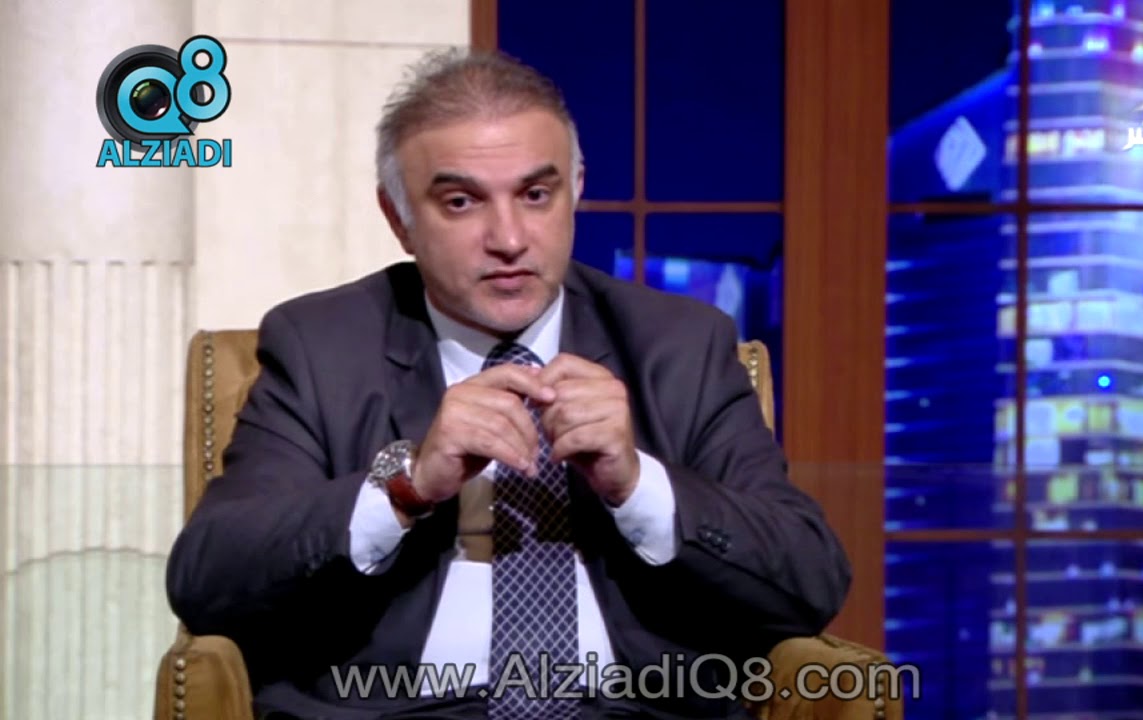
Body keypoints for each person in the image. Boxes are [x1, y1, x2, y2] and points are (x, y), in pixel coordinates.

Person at [165, 48, 851, 720]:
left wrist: (639, 485)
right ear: (399, 219)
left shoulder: (679, 346)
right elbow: (209, 578)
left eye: (536, 195)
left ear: (575, 189)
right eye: (462, 202)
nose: (509, 238)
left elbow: (811, 580)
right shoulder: (321, 347)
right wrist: (405, 486)